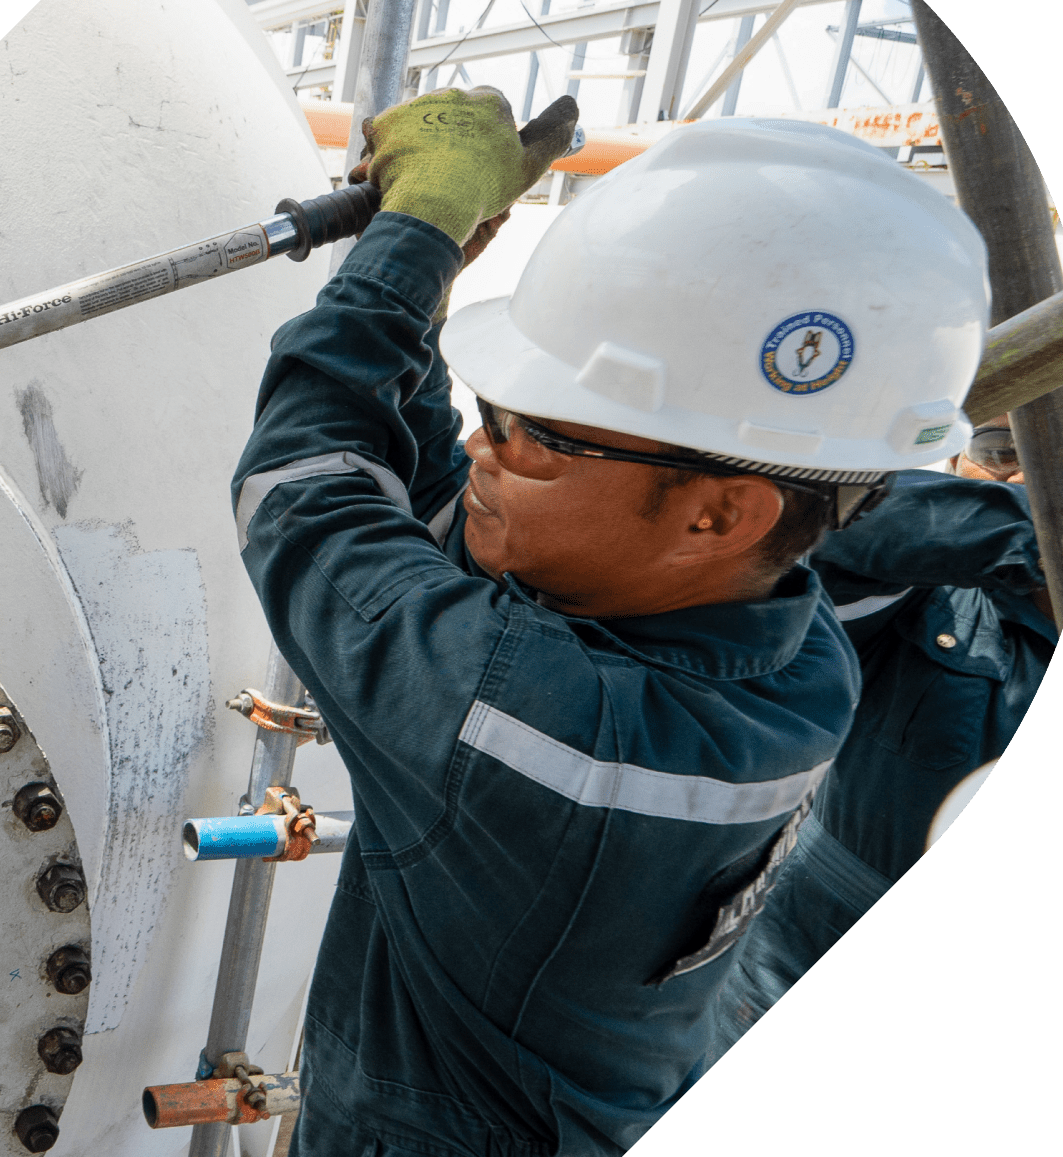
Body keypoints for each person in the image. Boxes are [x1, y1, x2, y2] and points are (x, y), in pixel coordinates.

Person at [231, 89, 990, 1156]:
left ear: (720, 511)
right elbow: (463, 525)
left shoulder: (526, 726)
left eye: (529, 432)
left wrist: (413, 240)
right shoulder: (795, 652)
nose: (484, 445)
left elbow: (304, 488)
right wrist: (432, 287)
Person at [703, 415, 1057, 1066]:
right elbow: (830, 528)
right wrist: (1046, 529)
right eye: (998, 449)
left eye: (1061, 461)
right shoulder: (926, 599)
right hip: (788, 976)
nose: (1020, 473)